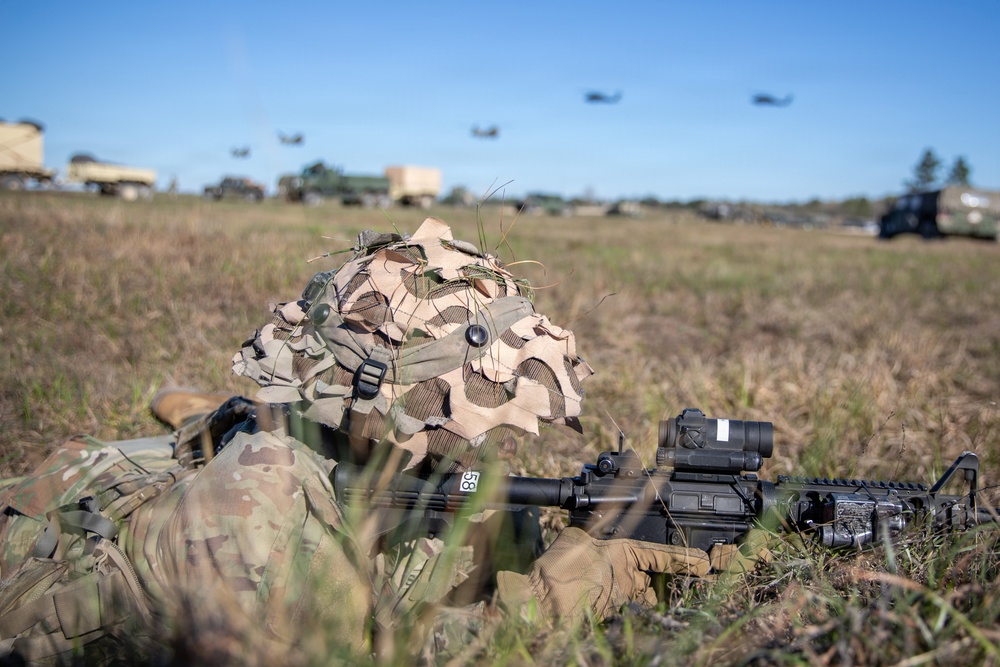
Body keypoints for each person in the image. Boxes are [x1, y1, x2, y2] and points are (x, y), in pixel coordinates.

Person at [0, 218, 711, 664]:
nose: (472, 441)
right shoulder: (248, 537)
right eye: (458, 416)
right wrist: (558, 602)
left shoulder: (346, 442)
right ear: (390, 408)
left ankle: (214, 416)